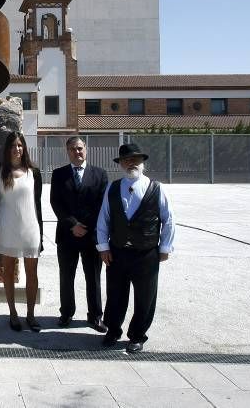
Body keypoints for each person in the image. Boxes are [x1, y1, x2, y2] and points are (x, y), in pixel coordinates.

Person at [96, 142, 175, 353]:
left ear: (142, 162)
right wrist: (103, 247)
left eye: (135, 159)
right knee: (115, 295)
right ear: (120, 163)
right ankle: (113, 331)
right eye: (126, 159)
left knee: (145, 297)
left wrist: (165, 247)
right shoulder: (112, 188)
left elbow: (168, 219)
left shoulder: (156, 188)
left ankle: (138, 335)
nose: (131, 162)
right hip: (117, 252)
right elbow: (104, 219)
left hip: (146, 253)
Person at [50, 136, 109, 332]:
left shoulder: (100, 174)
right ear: (68, 152)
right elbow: (56, 203)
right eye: (73, 149)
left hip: (91, 236)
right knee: (66, 277)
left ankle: (95, 316)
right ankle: (66, 313)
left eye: (80, 148)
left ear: (86, 149)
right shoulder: (59, 175)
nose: (77, 152)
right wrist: (73, 225)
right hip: (67, 235)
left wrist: (85, 226)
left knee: (93, 278)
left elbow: (101, 205)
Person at [0, 131, 44, 332]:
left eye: (20, 145)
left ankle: (30, 315)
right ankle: (13, 313)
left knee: (32, 272)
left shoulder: (33, 172)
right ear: (7, 149)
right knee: (9, 272)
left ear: (24, 148)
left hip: (30, 229)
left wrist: (42, 235)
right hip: (7, 228)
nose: (17, 149)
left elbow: (37, 204)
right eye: (13, 145)